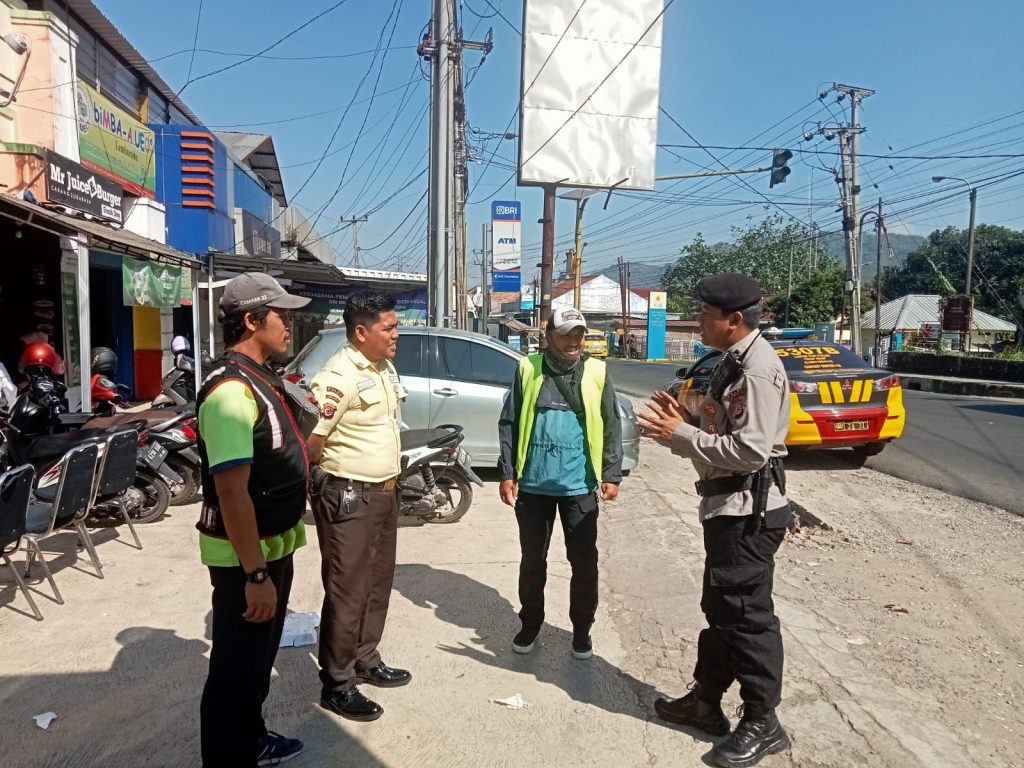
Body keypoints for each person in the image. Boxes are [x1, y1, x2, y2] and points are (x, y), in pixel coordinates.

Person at [637, 273, 792, 768]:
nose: (699, 320)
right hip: (725, 507)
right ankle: (706, 701)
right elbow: (721, 428)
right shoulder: (733, 362)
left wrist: (682, 436)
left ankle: (763, 721)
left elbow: (750, 451)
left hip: (748, 513)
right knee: (721, 609)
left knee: (747, 618)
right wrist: (680, 418)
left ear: (735, 320)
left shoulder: (757, 370)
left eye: (705, 314)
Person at [195, 272, 311, 767]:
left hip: (274, 546)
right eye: (281, 315)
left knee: (258, 663)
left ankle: (251, 737)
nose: (289, 323)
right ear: (251, 320)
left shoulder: (263, 379)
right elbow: (232, 492)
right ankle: (228, 755)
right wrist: (255, 575)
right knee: (235, 670)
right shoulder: (228, 394)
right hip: (246, 558)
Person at [498, 307, 623, 660]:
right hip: (534, 486)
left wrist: (611, 474)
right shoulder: (528, 368)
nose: (574, 340)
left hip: (580, 485)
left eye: (579, 333)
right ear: (548, 335)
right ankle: (530, 624)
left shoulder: (597, 371)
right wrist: (507, 472)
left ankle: (581, 630)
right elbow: (509, 422)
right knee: (532, 561)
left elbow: (611, 423)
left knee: (584, 563)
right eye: (566, 333)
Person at [307, 291, 409, 722]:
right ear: (361, 331)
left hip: (385, 493)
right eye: (388, 327)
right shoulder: (337, 377)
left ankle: (366, 659)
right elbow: (312, 442)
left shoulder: (383, 368)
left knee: (376, 584)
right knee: (347, 591)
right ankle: (338, 683)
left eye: (395, 325)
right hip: (350, 497)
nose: (396, 334)